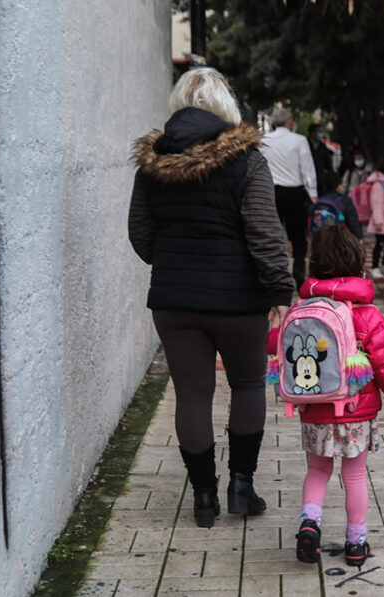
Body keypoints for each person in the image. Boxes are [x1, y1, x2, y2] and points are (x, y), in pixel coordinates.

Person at [129, 67, 295, 527]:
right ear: (226, 105)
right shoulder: (246, 159)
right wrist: (281, 289)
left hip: (174, 303)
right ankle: (242, 486)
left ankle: (204, 498)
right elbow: (264, 233)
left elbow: (140, 233)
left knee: (192, 395)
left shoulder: (153, 162)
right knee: (246, 386)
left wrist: (172, 265)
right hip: (239, 302)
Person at [265, 226, 384, 566]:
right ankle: (356, 544)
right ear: (357, 265)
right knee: (354, 475)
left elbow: (274, 345)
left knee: (317, 472)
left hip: (313, 408)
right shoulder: (367, 315)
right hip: (356, 411)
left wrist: (275, 324)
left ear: (314, 266)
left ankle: (309, 525)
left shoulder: (301, 308)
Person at [260, 107, 318, 289]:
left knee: (272, 235)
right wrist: (313, 193)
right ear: (290, 122)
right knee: (298, 236)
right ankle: (299, 270)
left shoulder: (264, 140)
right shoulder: (299, 141)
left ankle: (274, 274)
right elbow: (307, 170)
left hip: (270, 192)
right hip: (294, 193)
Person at [310, 170, 364, 239]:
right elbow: (353, 222)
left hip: (319, 238)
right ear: (339, 186)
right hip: (339, 239)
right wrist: (359, 236)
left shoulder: (319, 200)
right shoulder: (345, 200)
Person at [307, 123, 334, 194]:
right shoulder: (305, 145)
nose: (321, 134)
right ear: (312, 133)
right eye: (319, 131)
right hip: (307, 180)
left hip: (320, 181)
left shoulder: (323, 147)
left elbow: (328, 164)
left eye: (321, 132)